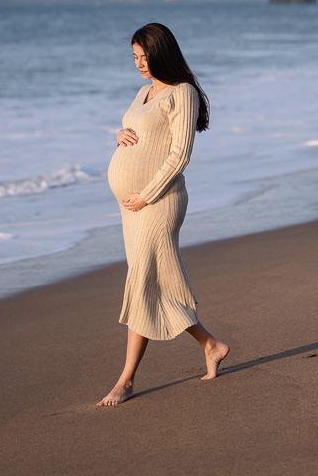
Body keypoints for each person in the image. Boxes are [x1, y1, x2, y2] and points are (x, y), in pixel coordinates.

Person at [97, 22, 229, 407]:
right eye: (135, 57)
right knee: (150, 282)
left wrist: (146, 195)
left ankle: (126, 380)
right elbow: (136, 129)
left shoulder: (182, 93)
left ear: (161, 52)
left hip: (161, 201)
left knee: (140, 282)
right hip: (132, 207)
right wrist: (119, 135)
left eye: (144, 56)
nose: (139, 64)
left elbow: (180, 155)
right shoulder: (144, 91)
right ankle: (212, 345)